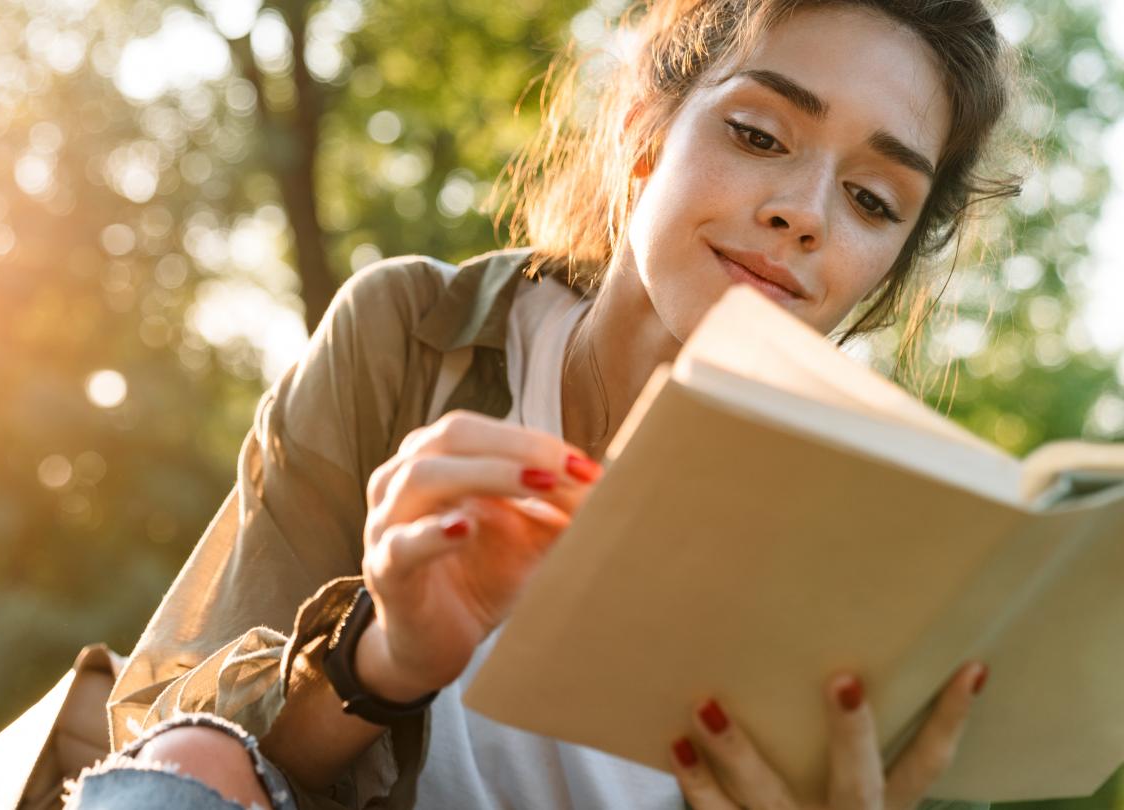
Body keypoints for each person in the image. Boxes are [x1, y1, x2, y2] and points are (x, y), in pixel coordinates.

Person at [63, 0, 1022, 808]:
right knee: (198, 755)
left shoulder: (859, 537)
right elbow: (168, 740)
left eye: (872, 199)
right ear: (645, 132)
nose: (805, 212)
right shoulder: (411, 336)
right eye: (759, 134)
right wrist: (384, 659)